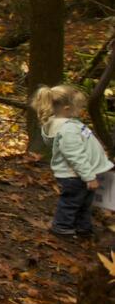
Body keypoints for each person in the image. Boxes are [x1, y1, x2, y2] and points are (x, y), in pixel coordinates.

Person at [31, 85, 113, 239]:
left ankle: (83, 227)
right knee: (72, 202)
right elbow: (75, 156)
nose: (81, 110)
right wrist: (89, 177)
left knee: (84, 202)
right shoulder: (67, 129)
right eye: (80, 107)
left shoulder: (66, 123)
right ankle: (62, 227)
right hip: (75, 175)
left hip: (80, 174)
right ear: (67, 108)